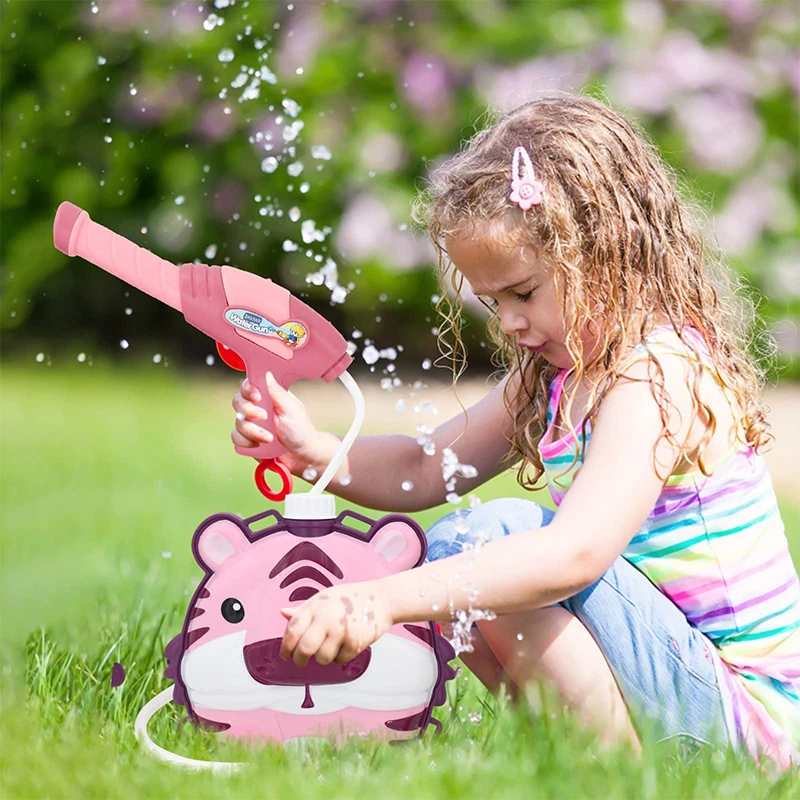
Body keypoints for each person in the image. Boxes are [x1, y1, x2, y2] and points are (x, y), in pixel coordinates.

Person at [231, 94, 799, 772]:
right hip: (678, 686)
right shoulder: (555, 375)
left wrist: (383, 600)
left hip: (747, 724)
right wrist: (319, 452)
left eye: (524, 293)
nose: (508, 323)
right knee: (454, 548)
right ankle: (577, 763)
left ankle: (622, 767)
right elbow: (425, 465)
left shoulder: (658, 375)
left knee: (488, 541)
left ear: (607, 253)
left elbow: (576, 554)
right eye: (493, 302)